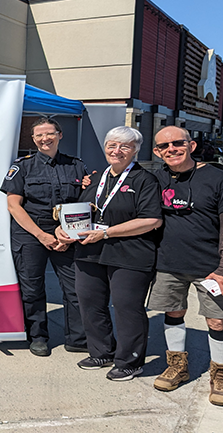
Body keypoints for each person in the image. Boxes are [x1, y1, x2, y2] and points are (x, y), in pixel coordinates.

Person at [149, 126, 223, 406]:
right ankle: (177, 365)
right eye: (164, 146)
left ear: (190, 145)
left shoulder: (218, 179)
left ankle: (221, 374)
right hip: (168, 263)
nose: (171, 149)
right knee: (173, 311)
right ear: (156, 151)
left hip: (210, 267)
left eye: (177, 143)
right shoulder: (157, 178)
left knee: (216, 320)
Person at [56, 126, 162, 381]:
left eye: (125, 146)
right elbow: (81, 213)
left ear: (136, 150)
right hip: (90, 252)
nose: (117, 151)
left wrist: (106, 233)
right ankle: (101, 351)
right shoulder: (95, 179)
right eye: (112, 145)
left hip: (130, 254)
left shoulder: (145, 180)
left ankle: (130, 361)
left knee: (127, 307)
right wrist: (63, 228)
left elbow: (151, 220)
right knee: (90, 303)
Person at [0, 117, 87, 357]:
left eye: (49, 133)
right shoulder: (22, 166)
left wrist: (69, 234)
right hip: (30, 233)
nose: (44, 138)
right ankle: (37, 336)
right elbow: (14, 206)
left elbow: (84, 203)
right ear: (33, 139)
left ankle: (78, 338)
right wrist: (42, 236)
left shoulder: (77, 166)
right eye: (39, 135)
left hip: (67, 235)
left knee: (75, 288)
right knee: (32, 289)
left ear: (60, 135)